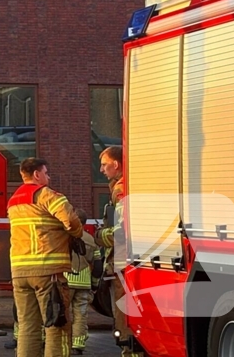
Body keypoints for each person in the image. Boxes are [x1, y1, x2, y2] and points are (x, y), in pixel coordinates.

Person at [7, 158, 84, 357]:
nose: (48, 177)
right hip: (48, 272)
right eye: (46, 173)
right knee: (56, 325)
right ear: (36, 175)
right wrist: (76, 234)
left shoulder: (13, 201)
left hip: (19, 272)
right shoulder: (47, 195)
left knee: (27, 327)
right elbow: (71, 220)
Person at [96, 146, 142, 357]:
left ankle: (129, 350)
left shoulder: (121, 189)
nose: (101, 169)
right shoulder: (126, 185)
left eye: (105, 165)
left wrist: (100, 236)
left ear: (116, 165)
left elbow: (122, 230)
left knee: (124, 314)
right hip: (131, 260)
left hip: (124, 261)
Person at [65, 208, 99, 355]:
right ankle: (77, 345)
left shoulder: (63, 237)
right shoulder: (91, 239)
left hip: (65, 280)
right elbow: (97, 265)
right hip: (84, 282)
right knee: (80, 314)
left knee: (63, 313)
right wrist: (95, 283)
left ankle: (62, 343)